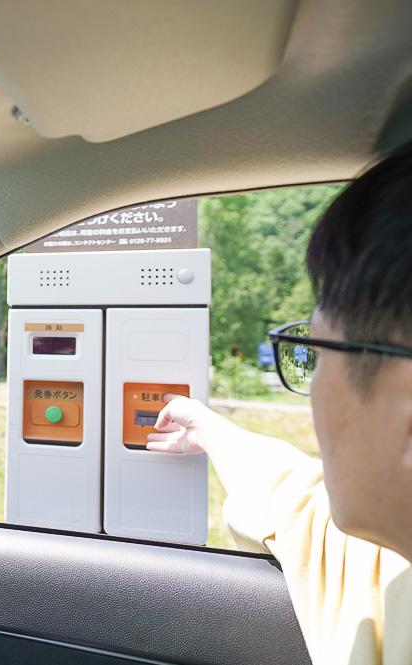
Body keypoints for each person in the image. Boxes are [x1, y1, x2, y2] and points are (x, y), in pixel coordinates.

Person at [146, 140, 412, 665]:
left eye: (312, 352)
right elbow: (301, 505)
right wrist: (207, 428)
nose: (311, 385)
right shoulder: (393, 566)